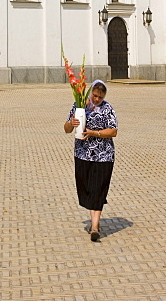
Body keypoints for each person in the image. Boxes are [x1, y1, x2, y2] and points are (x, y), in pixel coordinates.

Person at [63, 79, 117, 241]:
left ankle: (94, 227)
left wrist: (95, 133)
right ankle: (94, 223)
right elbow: (66, 129)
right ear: (90, 92)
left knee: (98, 188)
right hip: (82, 154)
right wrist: (71, 123)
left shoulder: (107, 109)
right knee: (86, 187)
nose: (96, 100)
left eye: (100, 97)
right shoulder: (79, 106)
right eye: (94, 96)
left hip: (103, 156)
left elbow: (113, 131)